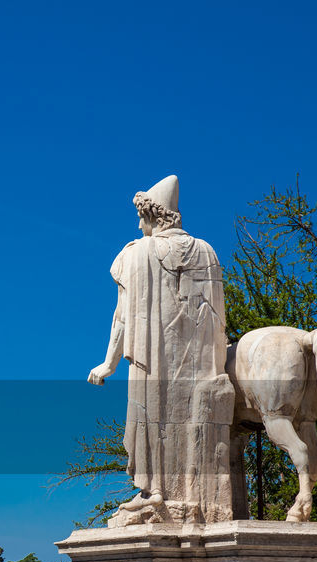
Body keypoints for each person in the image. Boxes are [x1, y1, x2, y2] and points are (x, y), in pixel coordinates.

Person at [87, 175, 234, 527]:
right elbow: (218, 317)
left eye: (142, 217)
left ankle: (154, 493)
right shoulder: (207, 252)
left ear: (155, 216)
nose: (139, 224)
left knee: (149, 423)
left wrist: (108, 363)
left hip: (151, 363)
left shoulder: (135, 254)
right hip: (200, 366)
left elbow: (122, 316)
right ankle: (194, 498)